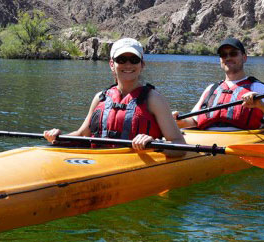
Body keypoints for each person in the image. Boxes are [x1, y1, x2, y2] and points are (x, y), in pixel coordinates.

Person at [44, 38, 187, 156]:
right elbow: (82, 134)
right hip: (99, 160)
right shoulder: (100, 97)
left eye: (134, 59)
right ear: (112, 64)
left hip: (136, 164)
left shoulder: (154, 99)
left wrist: (155, 145)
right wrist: (58, 138)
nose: (128, 64)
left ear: (142, 64)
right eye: (122, 59)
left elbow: (180, 145)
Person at [175, 37, 264, 130]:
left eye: (233, 53)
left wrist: (262, 105)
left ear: (244, 57)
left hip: (241, 141)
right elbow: (194, 121)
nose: (228, 57)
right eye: (223, 55)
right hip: (207, 141)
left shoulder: (256, 87)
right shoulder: (211, 89)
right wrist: (177, 120)